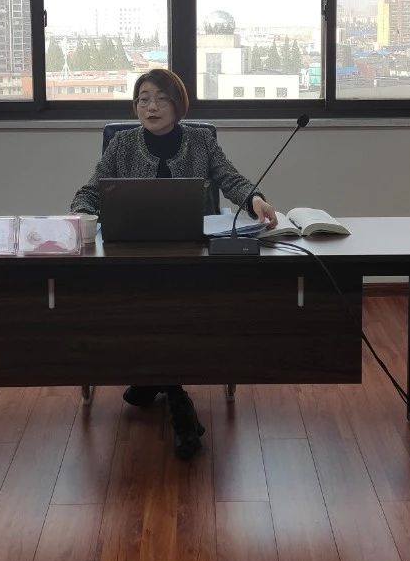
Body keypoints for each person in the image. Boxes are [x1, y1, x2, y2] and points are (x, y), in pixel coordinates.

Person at [70, 68, 277, 459]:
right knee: (153, 303)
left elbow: (231, 179)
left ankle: (154, 382)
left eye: (161, 99)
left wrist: (255, 199)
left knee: (173, 302)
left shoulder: (201, 141)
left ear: (178, 104)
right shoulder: (122, 145)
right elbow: (88, 192)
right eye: (143, 99)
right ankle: (176, 397)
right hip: (132, 256)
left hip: (192, 255)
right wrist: (83, 216)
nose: (151, 107)